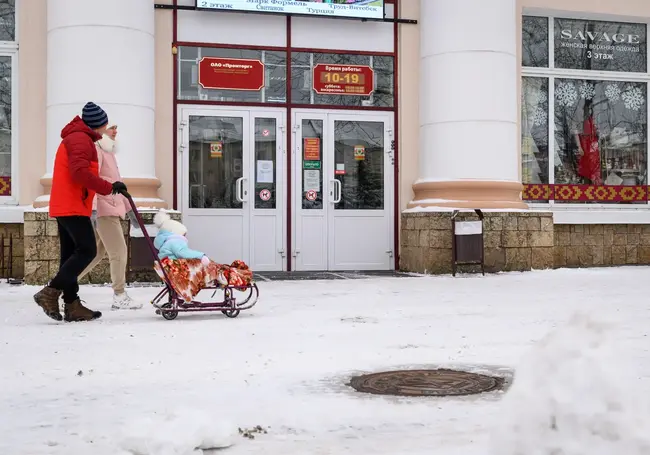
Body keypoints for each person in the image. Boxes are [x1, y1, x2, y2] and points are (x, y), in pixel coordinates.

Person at [33, 102, 128, 322]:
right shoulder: (80, 140)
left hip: (70, 204)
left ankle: (72, 305)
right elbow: (79, 174)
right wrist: (109, 186)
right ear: (97, 124)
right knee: (87, 250)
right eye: (105, 124)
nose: (107, 129)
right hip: (72, 205)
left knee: (69, 255)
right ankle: (50, 292)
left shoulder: (80, 138)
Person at [78, 124, 142, 310]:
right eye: (111, 128)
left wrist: (130, 210)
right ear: (101, 130)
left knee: (95, 253)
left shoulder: (109, 153)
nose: (115, 131)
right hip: (104, 211)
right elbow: (92, 181)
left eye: (116, 128)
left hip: (110, 207)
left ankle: (61, 285)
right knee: (119, 252)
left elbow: (117, 187)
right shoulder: (97, 150)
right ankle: (119, 294)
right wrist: (93, 210)